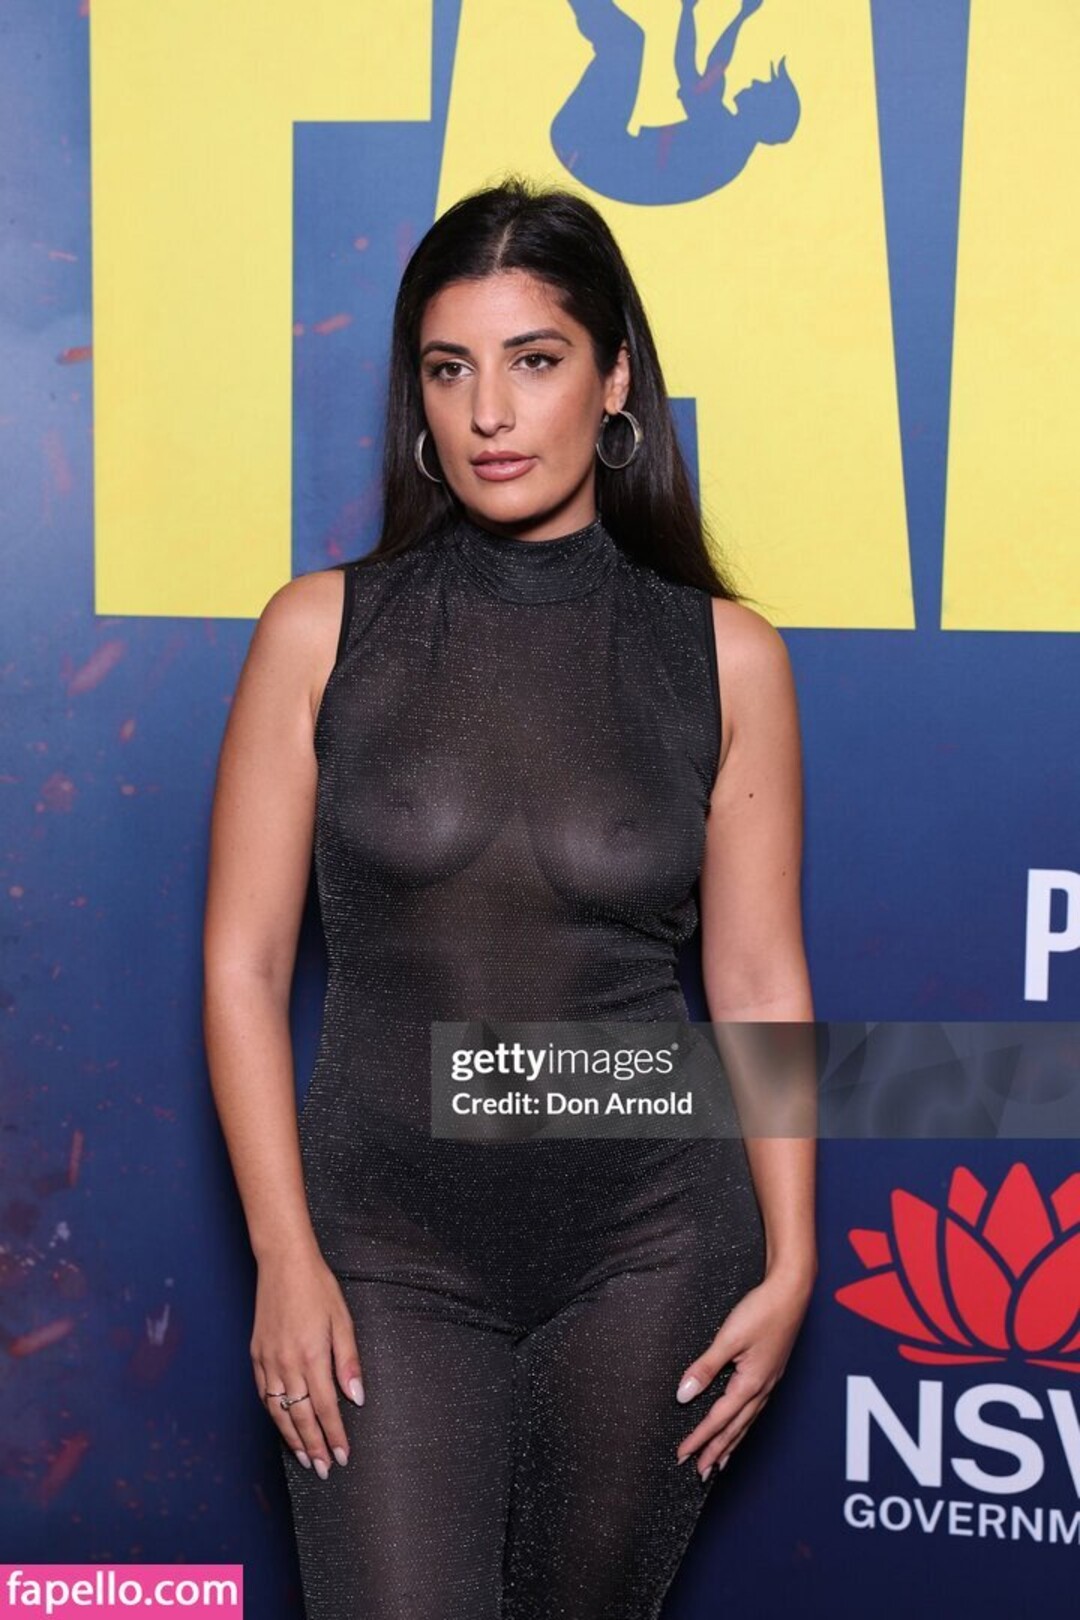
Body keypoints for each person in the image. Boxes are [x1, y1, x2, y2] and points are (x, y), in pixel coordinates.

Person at [202, 174, 817, 1620]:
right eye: (450, 367)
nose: (489, 411)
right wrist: (285, 1254)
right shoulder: (318, 632)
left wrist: (794, 1259)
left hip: (655, 1248)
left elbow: (758, 982)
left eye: (535, 360)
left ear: (615, 381)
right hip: (382, 1252)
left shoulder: (728, 658)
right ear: (416, 394)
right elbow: (242, 967)